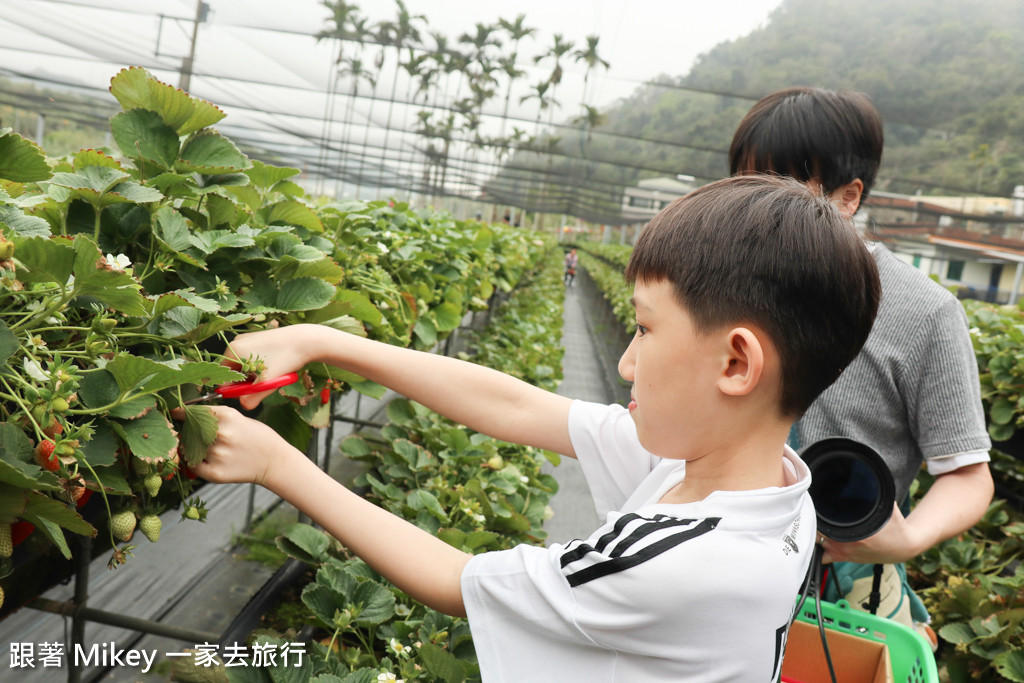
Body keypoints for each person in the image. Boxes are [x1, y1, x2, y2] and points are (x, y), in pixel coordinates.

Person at [179, 176, 881, 681]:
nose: (627, 361)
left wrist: (278, 464)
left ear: (735, 362)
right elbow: (515, 406)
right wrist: (323, 341)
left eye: (642, 328)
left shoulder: (678, 560)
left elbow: (458, 580)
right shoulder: (769, 485)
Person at [729, 86, 994, 634]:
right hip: (718, 557)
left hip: (842, 592)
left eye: (777, 187)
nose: (753, 207)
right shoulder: (718, 286)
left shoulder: (924, 313)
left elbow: (968, 474)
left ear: (848, 197)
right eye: (744, 184)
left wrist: (908, 539)